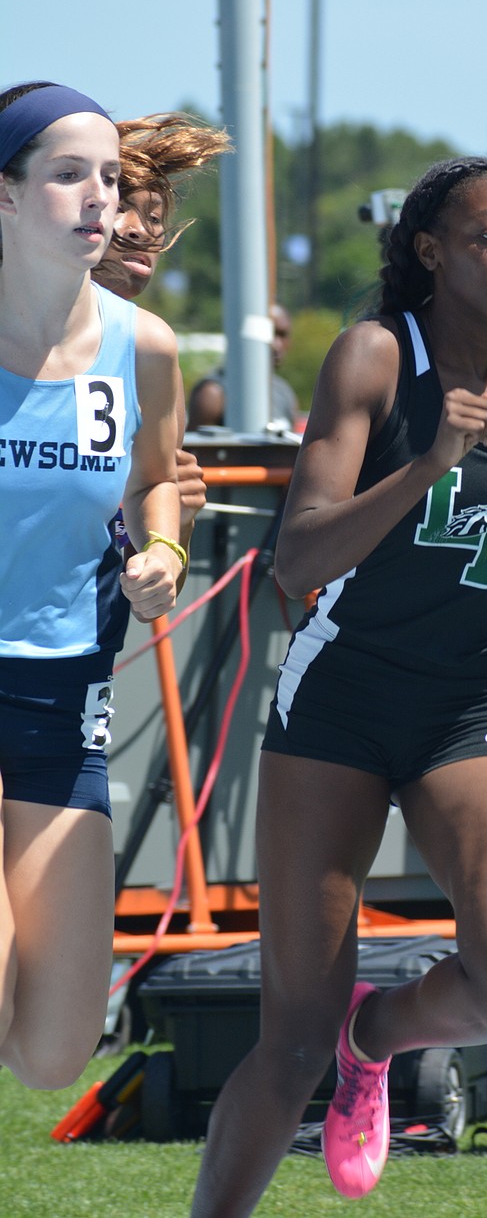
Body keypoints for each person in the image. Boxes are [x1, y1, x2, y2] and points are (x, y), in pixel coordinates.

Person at [190, 155, 487, 1215]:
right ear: (430, 250)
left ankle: (375, 1035)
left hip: (468, 707)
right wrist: (425, 468)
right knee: (289, 1041)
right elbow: (297, 562)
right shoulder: (377, 357)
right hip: (340, 706)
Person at [0, 81, 183, 1089]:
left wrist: (164, 553)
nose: (98, 199)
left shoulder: (140, 346)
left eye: (109, 178)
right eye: (69, 174)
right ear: (7, 196)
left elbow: (161, 480)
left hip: (64, 692)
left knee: (54, 1051)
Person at [93, 112, 232, 555]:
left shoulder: (152, 354)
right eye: (120, 207)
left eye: (155, 217)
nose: (141, 229)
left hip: (97, 620)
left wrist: (176, 530)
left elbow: (151, 602)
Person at [186, 301, 299, 431]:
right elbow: (196, 450)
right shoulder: (213, 394)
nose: (276, 345)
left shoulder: (284, 392)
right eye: (270, 333)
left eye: (282, 335)